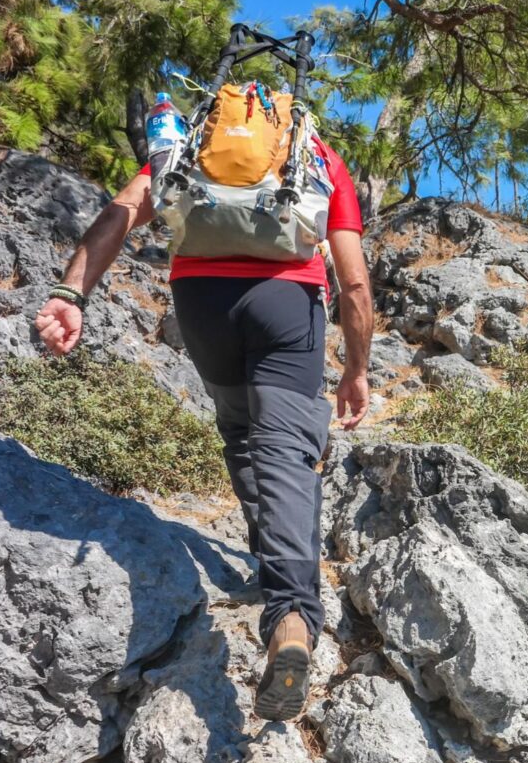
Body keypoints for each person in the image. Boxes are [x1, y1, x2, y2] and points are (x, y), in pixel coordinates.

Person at [34, 130, 373, 723]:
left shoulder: (187, 144)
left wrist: (71, 292)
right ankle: (291, 614)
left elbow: (119, 213)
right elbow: (354, 281)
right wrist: (358, 368)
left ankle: (267, 553)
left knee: (242, 431)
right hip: (287, 299)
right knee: (286, 447)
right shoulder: (317, 155)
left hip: (201, 300)